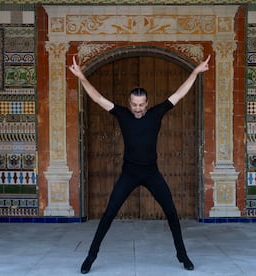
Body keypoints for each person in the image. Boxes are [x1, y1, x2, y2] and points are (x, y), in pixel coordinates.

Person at [69, 53, 211, 274]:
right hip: (129, 174)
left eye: (141, 104)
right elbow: (98, 98)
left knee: (172, 212)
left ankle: (183, 256)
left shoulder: (156, 114)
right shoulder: (123, 115)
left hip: (151, 173)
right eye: (134, 104)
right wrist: (81, 77)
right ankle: (90, 257)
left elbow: (179, 94)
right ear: (129, 103)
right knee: (109, 214)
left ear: (147, 103)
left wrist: (194, 72)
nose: (137, 108)